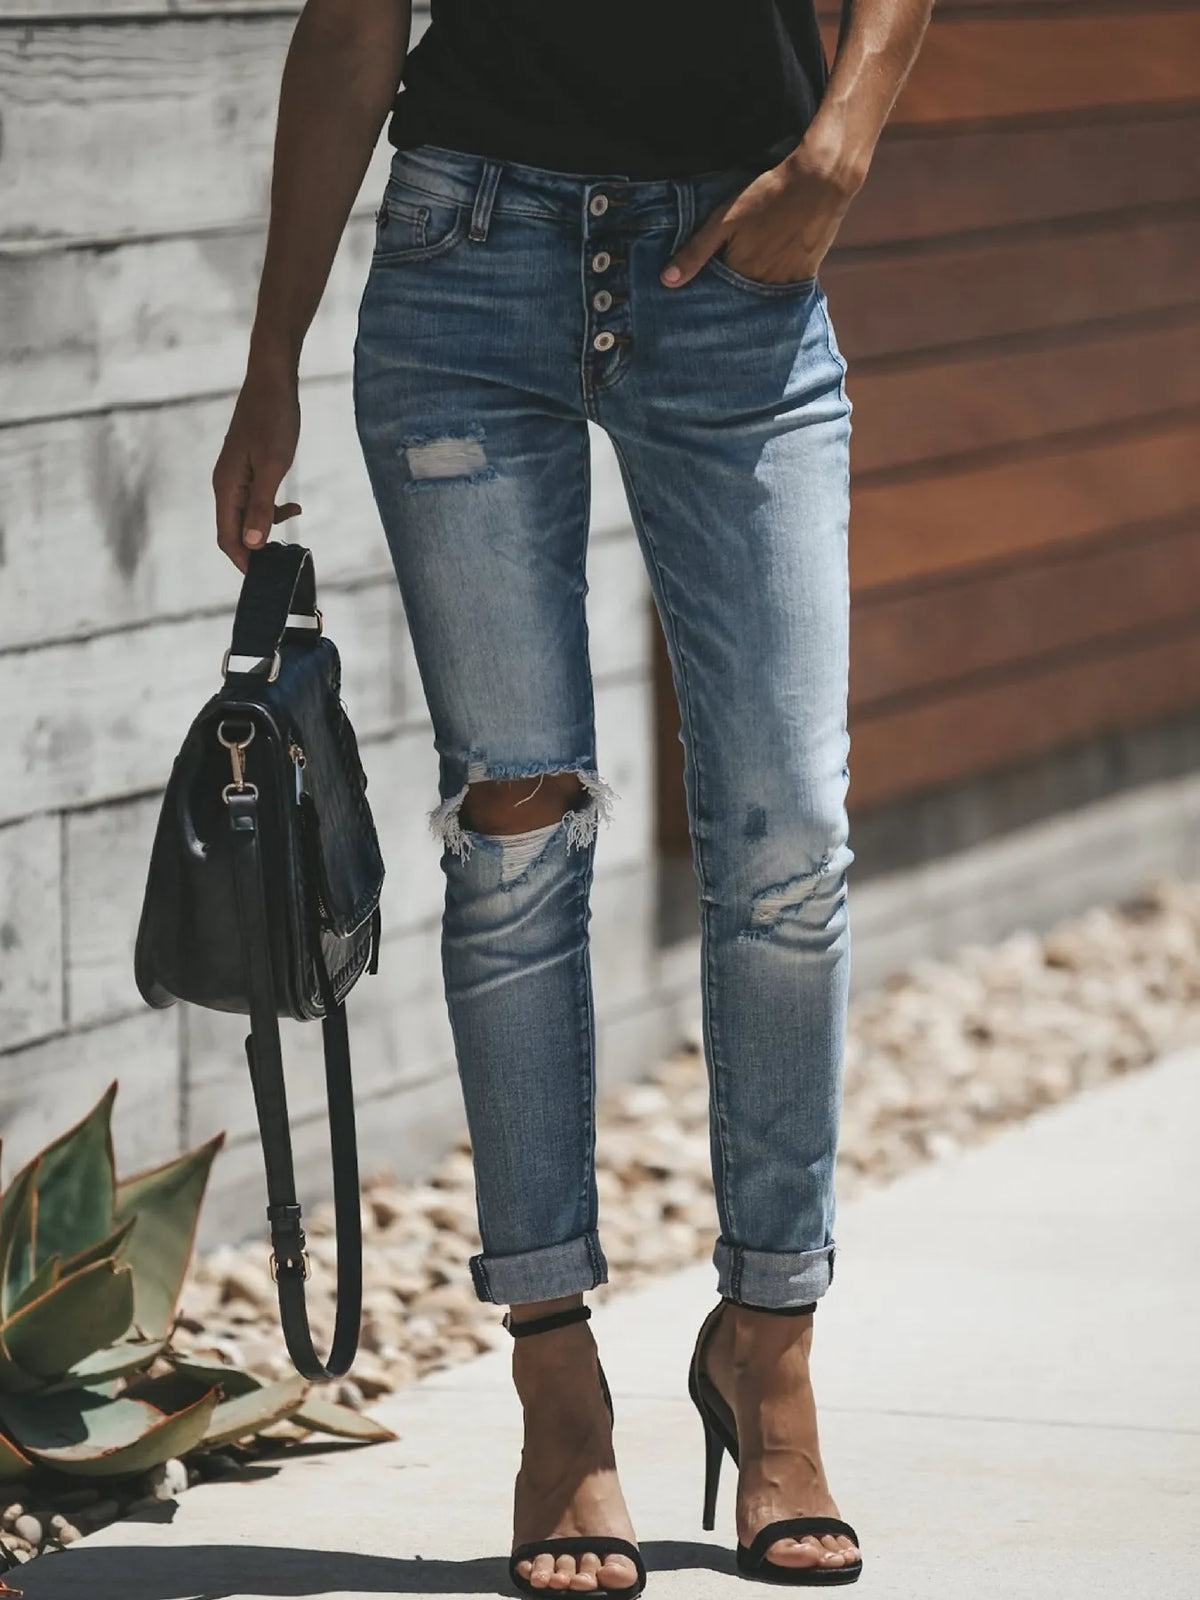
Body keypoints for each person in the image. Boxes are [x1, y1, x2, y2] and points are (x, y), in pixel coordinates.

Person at [213, 2, 932, 1591]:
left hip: (740, 254)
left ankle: (771, 1350)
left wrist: (842, 143)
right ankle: (557, 1383)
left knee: (790, 831)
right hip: (468, 252)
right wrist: (268, 355)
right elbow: (349, 24)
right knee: (514, 833)